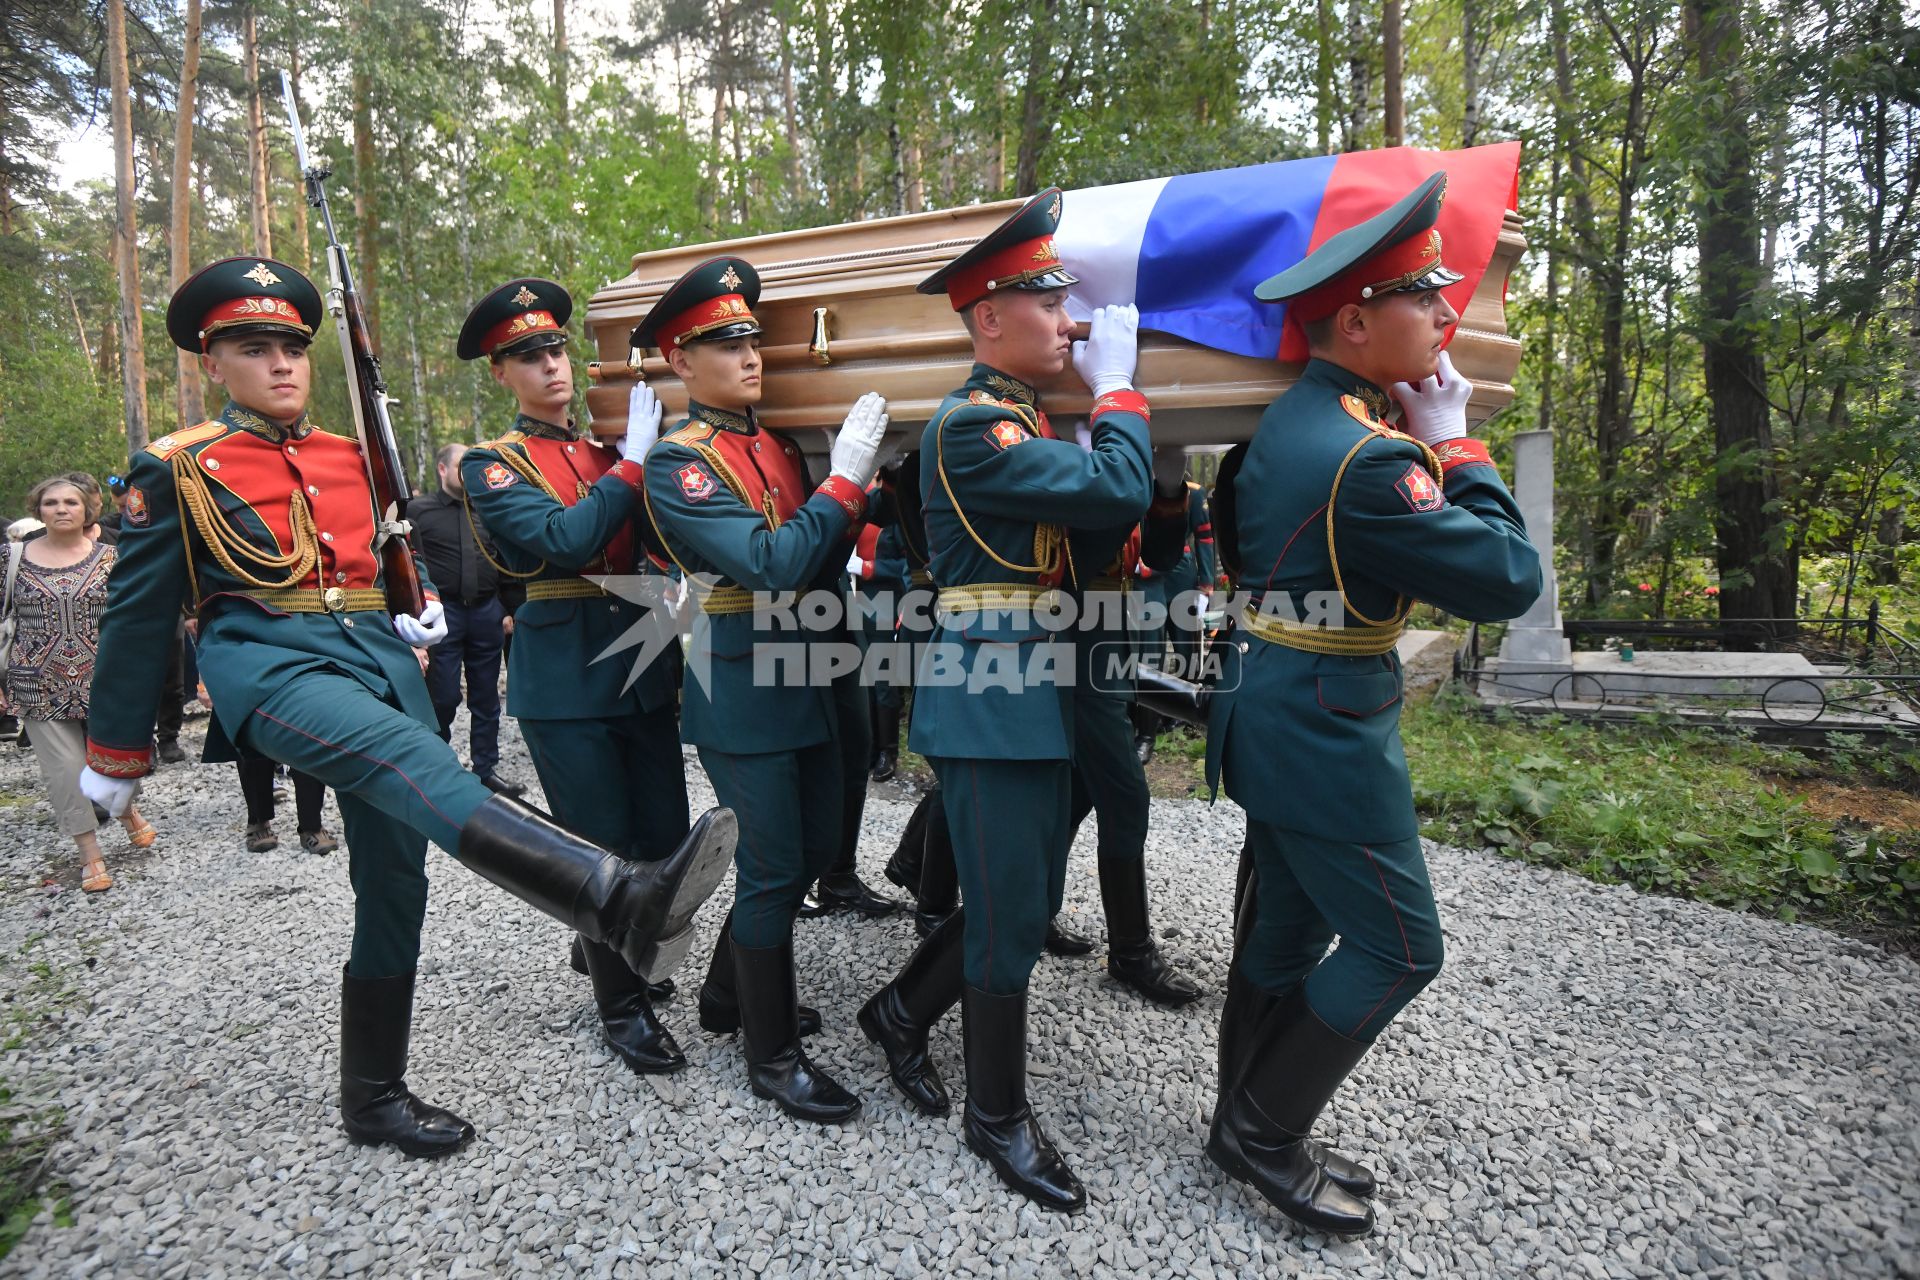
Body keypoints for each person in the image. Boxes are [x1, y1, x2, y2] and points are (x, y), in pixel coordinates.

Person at [79, 256, 735, 1159]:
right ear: (211, 363)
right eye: (254, 348)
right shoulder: (177, 468)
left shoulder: (353, 458)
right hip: (270, 666)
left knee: (395, 883)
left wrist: (415, 596)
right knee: (417, 761)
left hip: (379, 661)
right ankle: (611, 896)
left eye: (291, 348)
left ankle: (373, 1094)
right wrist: (115, 752)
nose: (280, 366)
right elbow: (137, 612)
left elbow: (386, 553)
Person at [1203, 173, 1542, 1235]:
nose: (1448, 318)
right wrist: (1459, 441)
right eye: (1423, 300)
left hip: (1272, 702)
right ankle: (1262, 1127)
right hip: (1324, 726)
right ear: (1355, 320)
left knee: (1290, 926)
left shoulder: (1292, 422)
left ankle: (1240, 1115)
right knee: (1401, 946)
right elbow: (1504, 577)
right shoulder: (1372, 455)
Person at [859, 188, 1153, 1212]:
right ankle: (998, 1116)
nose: (1071, 317)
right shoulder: (974, 425)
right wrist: (1119, 395)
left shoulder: (1025, 419)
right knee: (1008, 917)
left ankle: (898, 1009)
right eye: (1048, 299)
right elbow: (1115, 494)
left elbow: (1109, 536)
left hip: (1037, 678)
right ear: (988, 316)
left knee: (1012, 901)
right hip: (992, 688)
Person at [636, 256, 890, 1124]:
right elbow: (773, 563)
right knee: (776, 867)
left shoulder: (776, 443)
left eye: (751, 337)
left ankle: (726, 996)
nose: (748, 354)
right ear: (680, 360)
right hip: (743, 684)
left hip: (812, 675)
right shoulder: (681, 464)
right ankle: (772, 1058)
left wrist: (855, 493)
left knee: (815, 852)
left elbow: (820, 555)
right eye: (722, 341)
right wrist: (844, 481)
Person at [458, 276, 694, 1076]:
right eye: (528, 357)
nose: (551, 366)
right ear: (502, 375)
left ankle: (614, 946)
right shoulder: (496, 466)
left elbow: (658, 543)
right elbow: (567, 537)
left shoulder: (607, 451)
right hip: (563, 677)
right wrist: (631, 464)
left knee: (665, 835)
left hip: (639, 659)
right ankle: (620, 1010)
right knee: (602, 851)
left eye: (556, 348)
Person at [1, 475, 156, 892]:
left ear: (86, 510)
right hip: (36, 682)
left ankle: (125, 811)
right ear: (39, 510)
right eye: (51, 502)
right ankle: (91, 854)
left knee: (115, 760)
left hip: (105, 678)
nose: (62, 509)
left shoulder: (111, 556)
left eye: (71, 502)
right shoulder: (11, 558)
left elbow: (133, 614)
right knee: (66, 771)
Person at [406, 441, 520, 797]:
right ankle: (436, 767)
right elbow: (410, 565)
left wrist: (507, 608)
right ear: (442, 469)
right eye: (461, 467)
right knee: (442, 696)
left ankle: (485, 769)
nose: (469, 475)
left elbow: (504, 560)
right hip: (445, 613)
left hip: (487, 613)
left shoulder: (488, 509)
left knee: (487, 698)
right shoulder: (418, 511)